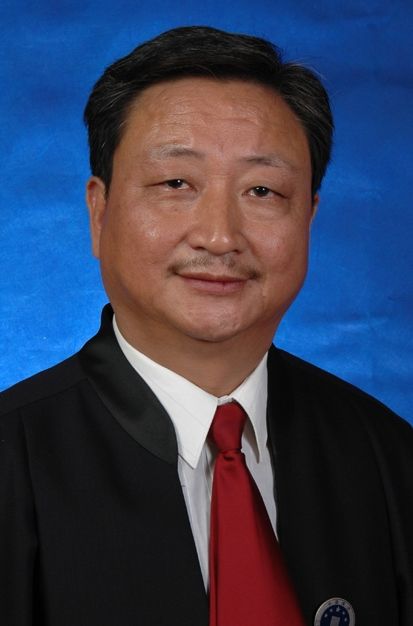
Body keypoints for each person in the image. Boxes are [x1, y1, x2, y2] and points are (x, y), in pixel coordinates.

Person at [1, 25, 412, 626]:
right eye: (176, 184)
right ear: (99, 212)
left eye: (263, 190)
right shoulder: (11, 462)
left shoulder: (389, 460)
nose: (220, 237)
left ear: (309, 219)